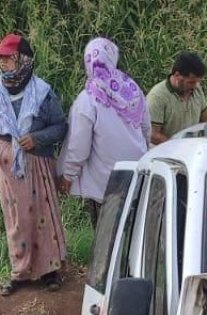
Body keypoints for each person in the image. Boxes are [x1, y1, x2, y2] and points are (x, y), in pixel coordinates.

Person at [0, 33, 69, 295]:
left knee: (42, 214)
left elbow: (60, 126)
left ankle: (49, 271)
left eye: (6, 58)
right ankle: (20, 272)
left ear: (22, 60)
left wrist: (37, 138)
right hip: (7, 163)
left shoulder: (43, 92)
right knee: (16, 219)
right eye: (0, 59)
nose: (1, 64)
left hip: (37, 160)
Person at [57, 37, 151, 229]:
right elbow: (145, 129)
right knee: (134, 233)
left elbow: (78, 146)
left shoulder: (88, 100)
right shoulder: (132, 90)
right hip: (137, 174)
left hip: (106, 183)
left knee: (107, 239)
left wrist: (68, 175)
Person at [146, 52, 207, 144]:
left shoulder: (196, 89)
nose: (195, 86)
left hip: (193, 149)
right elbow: (153, 135)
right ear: (177, 75)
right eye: (191, 82)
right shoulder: (157, 97)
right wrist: (179, 146)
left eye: (197, 82)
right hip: (165, 152)